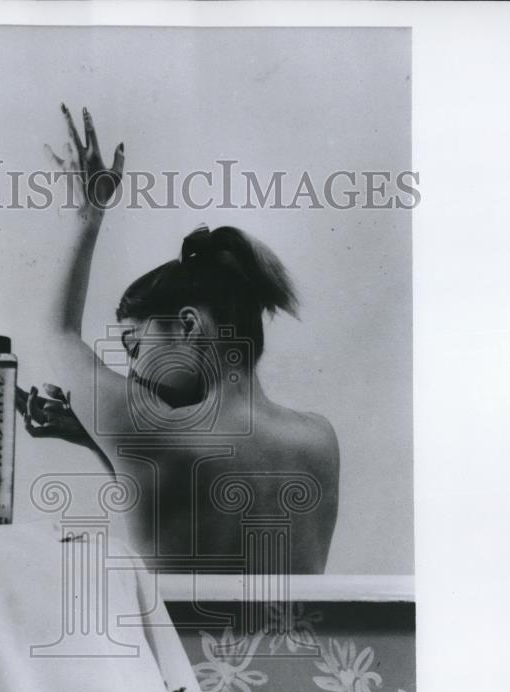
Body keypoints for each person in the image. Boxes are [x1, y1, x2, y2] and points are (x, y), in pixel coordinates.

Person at [18, 104, 339, 574]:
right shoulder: (320, 438)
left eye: (133, 342)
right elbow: (170, 500)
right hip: (297, 649)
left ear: (189, 326)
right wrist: (98, 441)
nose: (129, 365)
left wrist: (88, 216)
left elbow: (58, 332)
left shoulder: (151, 432)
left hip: (182, 653)